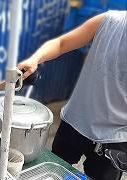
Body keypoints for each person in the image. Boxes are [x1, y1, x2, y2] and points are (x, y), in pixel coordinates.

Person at [18, 10, 127, 180]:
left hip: (114, 140)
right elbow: (61, 43)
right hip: (75, 122)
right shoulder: (111, 21)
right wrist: (35, 59)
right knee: (54, 173)